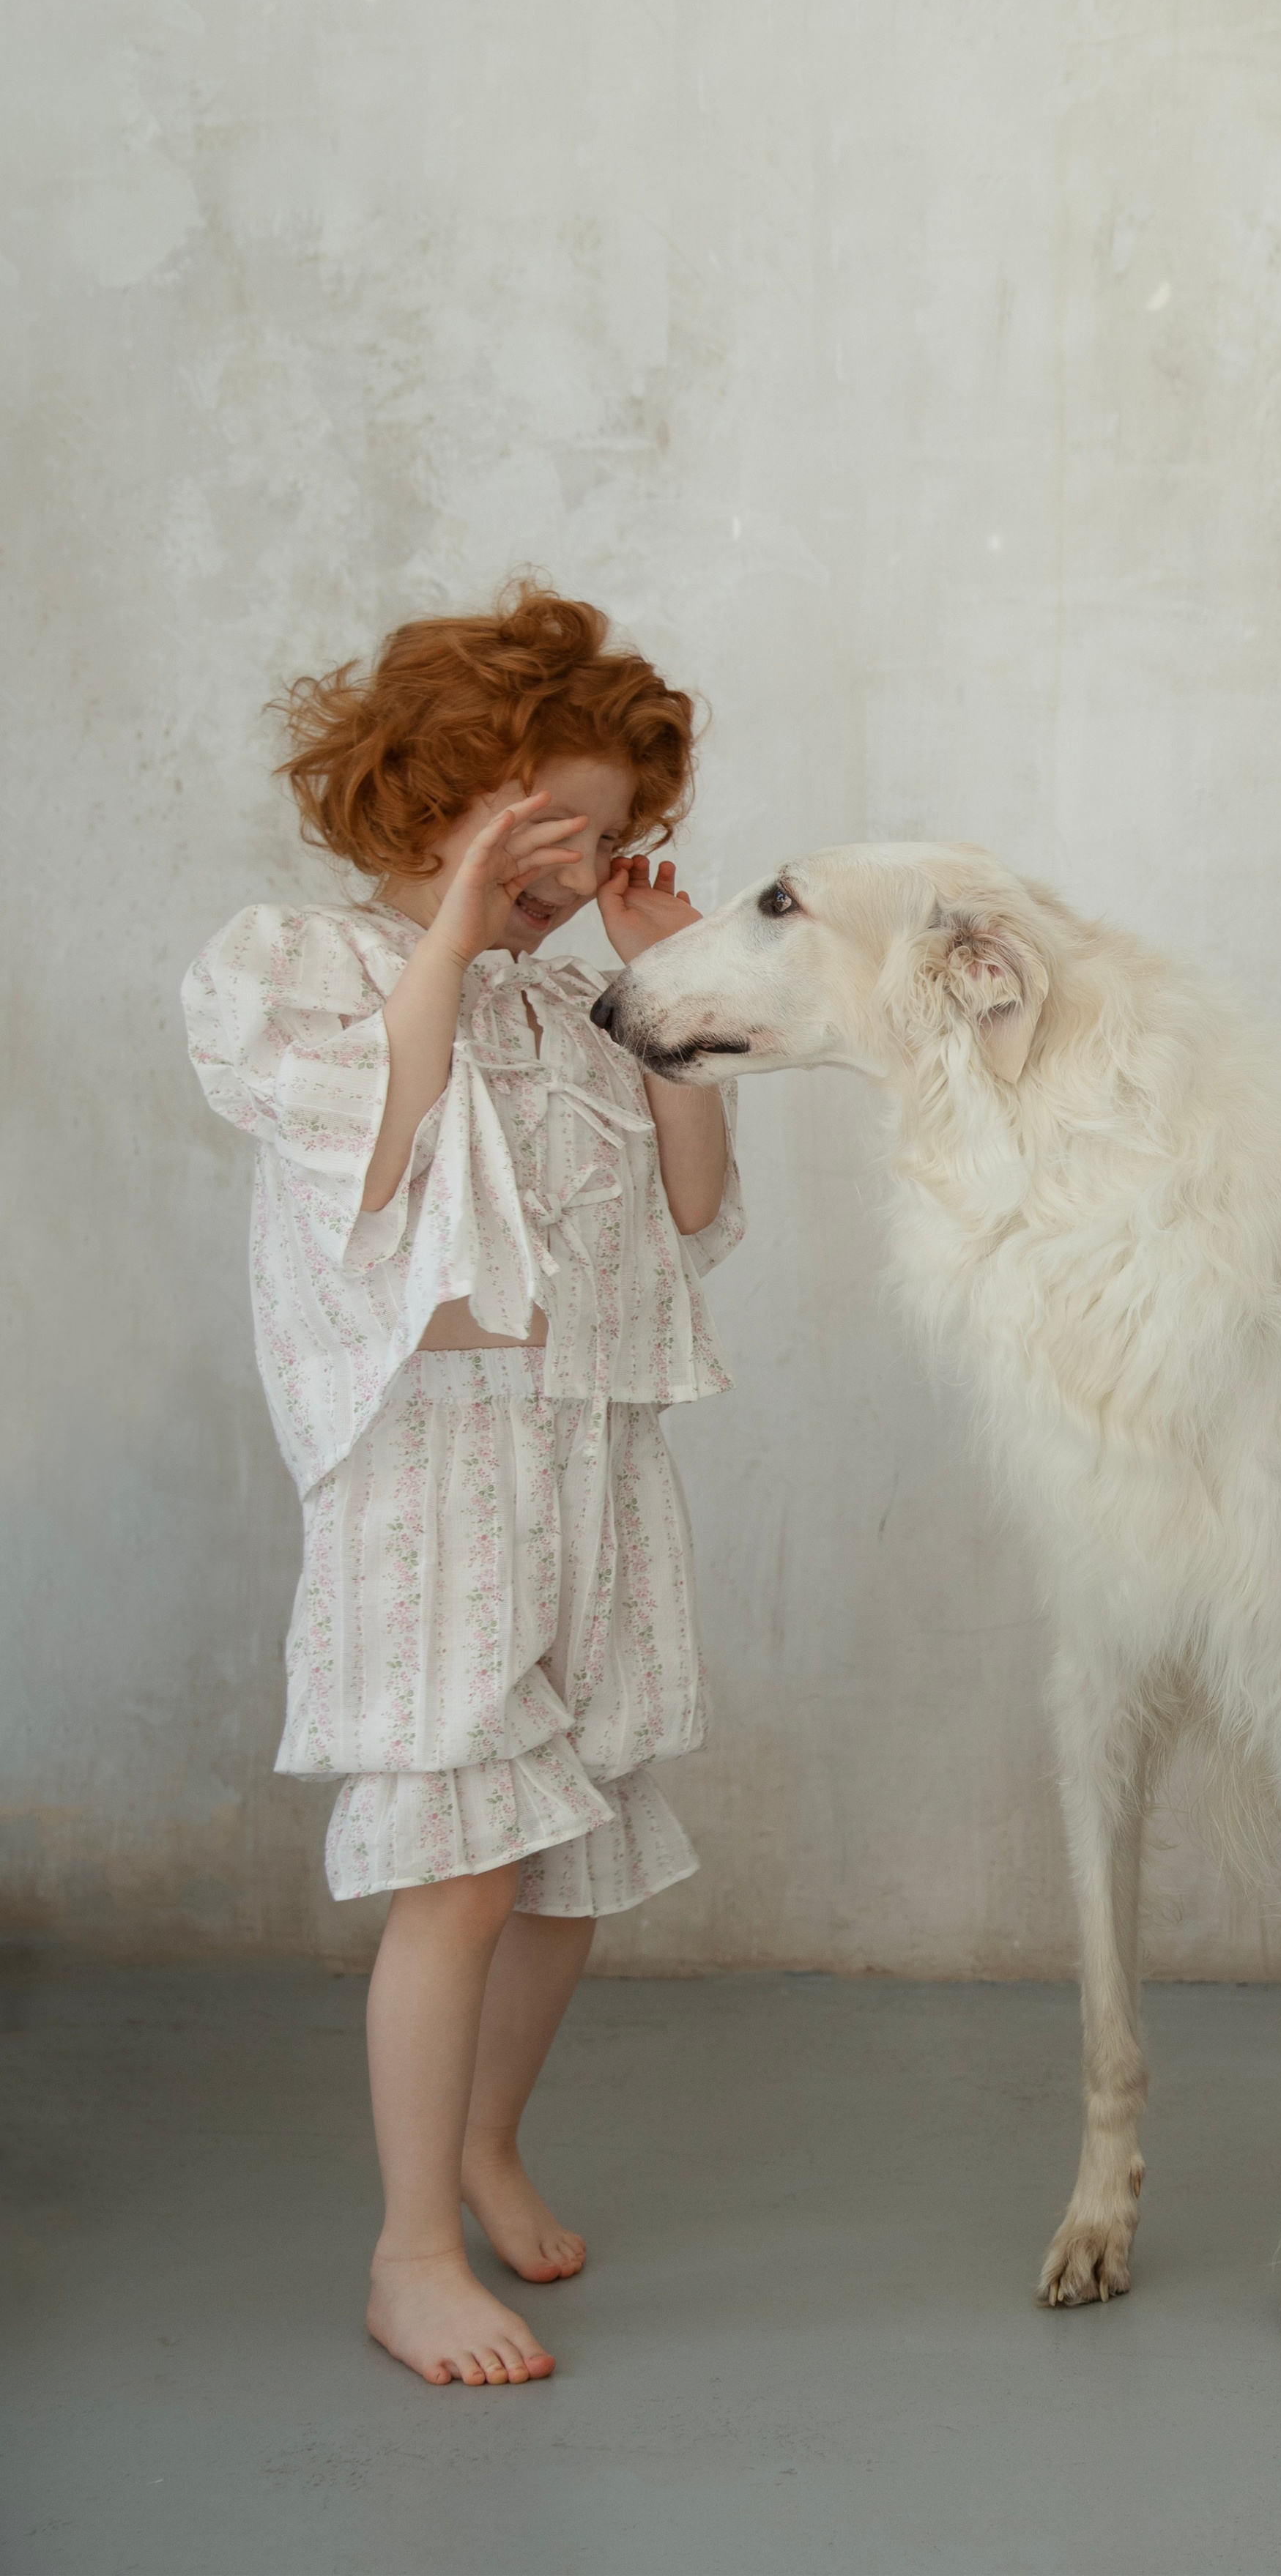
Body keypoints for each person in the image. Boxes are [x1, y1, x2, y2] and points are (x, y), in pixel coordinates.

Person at [182, 585, 741, 2386]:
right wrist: (446, 925)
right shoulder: (302, 970)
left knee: (563, 1862)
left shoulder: (574, 999)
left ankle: (490, 2143)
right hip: (434, 1478)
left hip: (584, 1454)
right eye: (543, 835)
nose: (569, 877)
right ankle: (408, 2245)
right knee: (462, 1876)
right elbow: (386, 1137)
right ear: (439, 793)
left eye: (600, 845)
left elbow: (691, 1212)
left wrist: (658, 999)